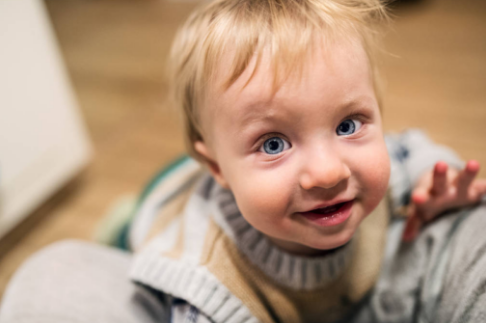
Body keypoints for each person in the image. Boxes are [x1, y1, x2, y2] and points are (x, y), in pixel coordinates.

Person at [1, 0, 485, 322]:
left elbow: (406, 147)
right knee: (131, 233)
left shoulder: (371, 161)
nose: (330, 172)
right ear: (216, 168)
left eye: (347, 124)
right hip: (173, 213)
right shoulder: (201, 281)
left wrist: (432, 178)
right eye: (273, 143)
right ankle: (126, 223)